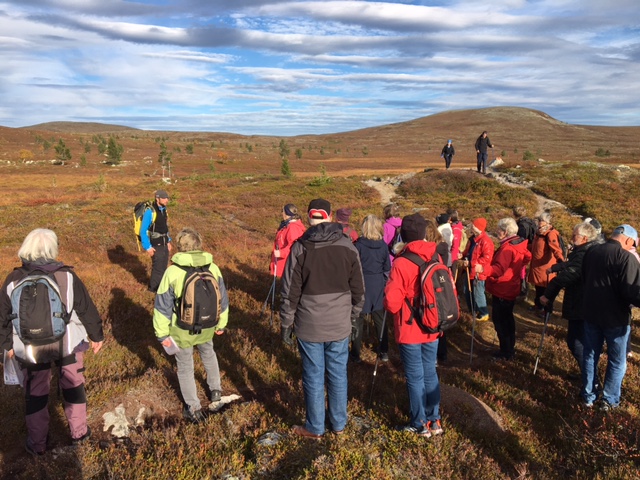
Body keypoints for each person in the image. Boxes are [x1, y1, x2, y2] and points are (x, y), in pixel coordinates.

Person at [0, 229, 104, 455]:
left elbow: (2, 318)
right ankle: (79, 434)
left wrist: (6, 346)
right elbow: (86, 308)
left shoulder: (13, 280)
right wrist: (97, 336)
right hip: (68, 343)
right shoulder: (67, 276)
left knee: (36, 392)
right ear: (52, 249)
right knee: (73, 384)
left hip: (30, 348)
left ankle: (37, 444)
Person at [280, 198, 365, 439]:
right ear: (329, 217)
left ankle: (315, 427)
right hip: (339, 324)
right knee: (338, 374)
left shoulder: (300, 248)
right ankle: (338, 424)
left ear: (309, 217)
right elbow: (359, 289)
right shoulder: (348, 246)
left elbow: (289, 292)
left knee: (313, 375)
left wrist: (286, 323)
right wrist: (354, 318)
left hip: (309, 326)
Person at [153, 228, 229, 423]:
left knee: (185, 366)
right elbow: (223, 300)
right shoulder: (213, 268)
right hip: (209, 326)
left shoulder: (173, 272)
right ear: (199, 244)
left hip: (182, 330)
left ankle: (194, 408)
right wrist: (221, 324)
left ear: (180, 246)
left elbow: (162, 308)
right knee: (209, 353)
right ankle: (215, 391)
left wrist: (162, 335)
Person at [383, 214, 444, 438]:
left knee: (415, 376)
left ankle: (419, 424)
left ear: (404, 235)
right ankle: (434, 420)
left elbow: (391, 303)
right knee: (430, 373)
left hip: (410, 329)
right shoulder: (436, 256)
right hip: (433, 327)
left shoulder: (401, 262)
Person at [580, 225, 640, 410]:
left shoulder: (591, 251)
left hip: (590, 313)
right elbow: (631, 292)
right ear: (628, 240)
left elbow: (584, 278)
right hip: (616, 318)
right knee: (616, 360)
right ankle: (609, 400)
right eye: (634, 244)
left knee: (590, 355)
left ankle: (588, 396)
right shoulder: (626, 257)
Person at [539, 222, 598, 377]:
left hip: (581, 304)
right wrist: (557, 268)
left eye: (575, 235)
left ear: (584, 238)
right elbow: (570, 266)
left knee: (576, 342)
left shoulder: (584, 254)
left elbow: (568, 276)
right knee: (579, 342)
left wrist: (548, 295)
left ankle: (591, 379)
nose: (572, 238)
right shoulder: (585, 251)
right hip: (584, 303)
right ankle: (587, 375)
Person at [483, 218, 532, 360]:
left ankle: (505, 352)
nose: (497, 232)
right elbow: (528, 256)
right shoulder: (520, 243)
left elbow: (498, 270)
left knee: (500, 321)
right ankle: (509, 349)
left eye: (498, 229)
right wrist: (516, 270)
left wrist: (483, 269)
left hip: (502, 288)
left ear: (505, 232)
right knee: (508, 320)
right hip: (512, 286)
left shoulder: (507, 248)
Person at [351, 214, 391, 363]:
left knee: (357, 319)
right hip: (378, 284)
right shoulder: (383, 246)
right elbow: (387, 267)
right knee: (380, 319)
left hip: (361, 284)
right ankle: (384, 351)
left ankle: (355, 354)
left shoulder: (358, 245)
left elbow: (353, 267)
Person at [528, 212, 564, 317]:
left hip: (545, 268)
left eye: (541, 220)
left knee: (546, 291)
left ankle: (546, 311)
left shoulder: (550, 233)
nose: (539, 222)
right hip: (537, 267)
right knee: (538, 288)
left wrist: (561, 262)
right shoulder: (539, 232)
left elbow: (556, 249)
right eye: (538, 220)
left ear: (547, 222)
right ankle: (538, 306)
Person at [461, 218, 494, 322]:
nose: (471, 227)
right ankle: (473, 311)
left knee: (478, 292)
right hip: (469, 270)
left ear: (478, 228)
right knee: (467, 291)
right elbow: (468, 252)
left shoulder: (486, 241)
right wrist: (462, 255)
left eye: (473, 226)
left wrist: (471, 263)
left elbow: (487, 258)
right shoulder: (472, 239)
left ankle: (484, 314)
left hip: (478, 272)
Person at [140, 189, 172, 292]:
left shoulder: (164, 210)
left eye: (167, 198)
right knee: (157, 268)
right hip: (155, 244)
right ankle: (152, 290)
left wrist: (168, 241)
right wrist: (148, 247)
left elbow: (164, 227)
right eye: (164, 198)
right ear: (157, 199)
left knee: (163, 267)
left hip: (164, 243)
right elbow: (143, 231)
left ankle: (161, 289)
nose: (166, 200)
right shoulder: (150, 211)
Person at [270, 203, 306, 278]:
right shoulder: (287, 225)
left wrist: (281, 253)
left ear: (287, 213)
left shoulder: (293, 227)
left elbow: (294, 246)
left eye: (282, 211)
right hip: (284, 263)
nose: (281, 213)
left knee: (287, 287)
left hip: (288, 264)